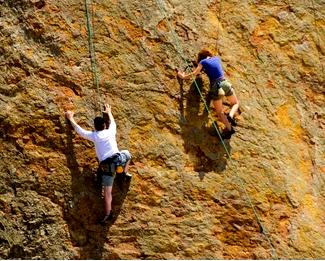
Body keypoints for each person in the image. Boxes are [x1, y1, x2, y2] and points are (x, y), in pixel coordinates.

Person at [65, 102, 131, 224]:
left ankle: (108, 214)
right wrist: (109, 112)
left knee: (107, 192)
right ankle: (124, 173)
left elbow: (79, 130)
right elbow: (112, 122)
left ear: (95, 127)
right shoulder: (111, 131)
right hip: (118, 159)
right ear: (104, 125)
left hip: (107, 166)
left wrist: (70, 118)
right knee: (127, 154)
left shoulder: (94, 136)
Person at [177, 49, 240, 139]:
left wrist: (183, 76)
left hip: (216, 86)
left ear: (200, 58)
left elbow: (195, 73)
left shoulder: (203, 62)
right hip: (225, 82)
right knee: (235, 103)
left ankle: (229, 129)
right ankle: (230, 116)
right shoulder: (217, 58)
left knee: (219, 112)